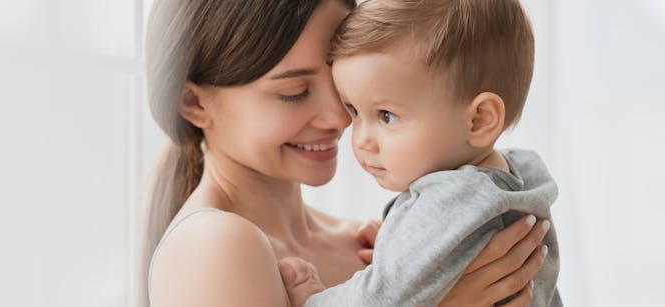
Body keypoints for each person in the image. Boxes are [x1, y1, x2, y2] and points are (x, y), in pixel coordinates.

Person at [141, 0, 551, 306]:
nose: (341, 117)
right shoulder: (215, 245)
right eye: (294, 93)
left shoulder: (376, 243)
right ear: (194, 103)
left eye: (342, 89)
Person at [277, 0, 563, 306]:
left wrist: (313, 301)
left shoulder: (451, 200)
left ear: (480, 120)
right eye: (354, 110)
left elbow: (382, 297)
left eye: (387, 115)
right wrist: (400, 247)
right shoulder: (514, 179)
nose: (361, 140)